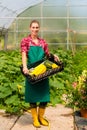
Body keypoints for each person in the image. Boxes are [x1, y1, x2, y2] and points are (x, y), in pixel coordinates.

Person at [20, 20, 59, 128]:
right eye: (33, 27)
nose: (35, 29)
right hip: (32, 72)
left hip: (42, 72)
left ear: (39, 29)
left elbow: (47, 54)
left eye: (37, 27)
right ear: (30, 28)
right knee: (32, 96)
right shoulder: (25, 41)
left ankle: (41, 117)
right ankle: (35, 119)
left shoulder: (43, 42)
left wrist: (54, 56)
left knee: (44, 96)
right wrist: (24, 67)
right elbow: (24, 54)